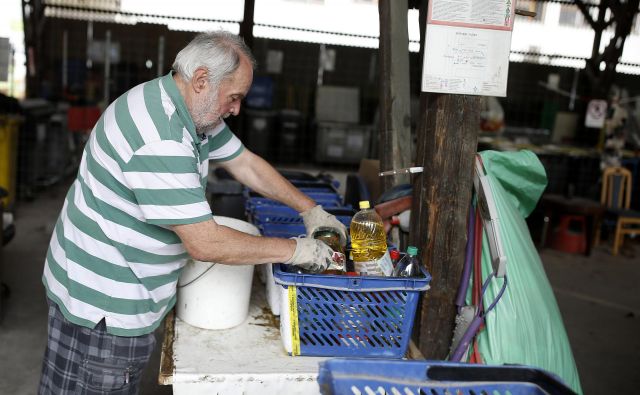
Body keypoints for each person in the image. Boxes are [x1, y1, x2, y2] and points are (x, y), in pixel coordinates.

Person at [38, 31, 346, 394]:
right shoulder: (162, 137)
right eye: (234, 98)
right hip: (104, 308)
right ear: (202, 80)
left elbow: (244, 163)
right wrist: (296, 250)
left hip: (108, 281)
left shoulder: (186, 107)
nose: (236, 109)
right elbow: (205, 242)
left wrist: (310, 210)